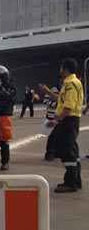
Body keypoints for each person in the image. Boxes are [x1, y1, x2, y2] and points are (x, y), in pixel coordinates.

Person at [40, 58, 84, 193]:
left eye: (61, 68)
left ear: (65, 69)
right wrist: (47, 92)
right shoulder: (71, 83)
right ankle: (75, 181)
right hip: (70, 121)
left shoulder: (70, 84)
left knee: (67, 151)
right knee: (72, 151)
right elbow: (61, 99)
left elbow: (68, 107)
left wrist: (56, 120)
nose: (60, 71)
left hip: (68, 121)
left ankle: (70, 183)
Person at [43, 86, 59, 161]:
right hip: (50, 119)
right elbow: (46, 102)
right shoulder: (50, 100)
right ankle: (50, 154)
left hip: (55, 119)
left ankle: (55, 153)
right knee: (52, 137)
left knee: (56, 137)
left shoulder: (57, 99)